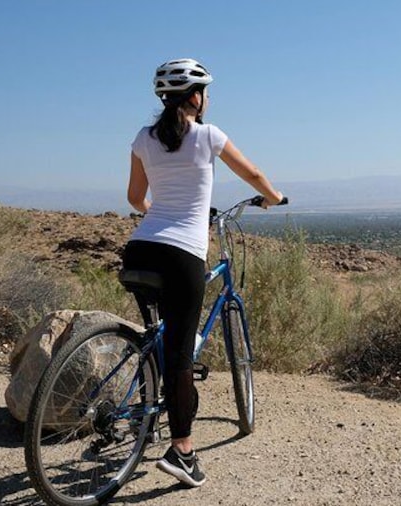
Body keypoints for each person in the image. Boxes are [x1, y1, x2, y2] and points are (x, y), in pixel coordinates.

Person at [122, 58, 283, 487]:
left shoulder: (142, 138)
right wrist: (273, 197)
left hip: (139, 250)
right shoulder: (208, 135)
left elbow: (136, 198)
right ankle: (183, 452)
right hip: (182, 255)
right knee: (179, 354)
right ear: (196, 97)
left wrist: (160, 216)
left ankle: (145, 416)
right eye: (206, 92)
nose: (207, 99)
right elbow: (253, 173)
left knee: (156, 336)